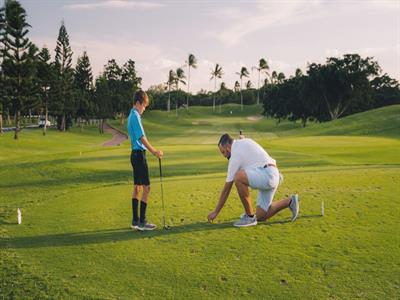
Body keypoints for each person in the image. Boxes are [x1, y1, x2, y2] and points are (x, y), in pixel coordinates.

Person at [207, 133, 299, 227]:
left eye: (223, 152)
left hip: (268, 175)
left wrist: (216, 212)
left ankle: (249, 217)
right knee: (261, 216)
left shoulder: (235, 155)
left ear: (228, 146)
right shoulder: (243, 142)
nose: (224, 155)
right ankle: (290, 201)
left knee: (238, 177)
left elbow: (227, 188)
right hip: (272, 174)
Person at [127, 90, 163, 231]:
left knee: (137, 188)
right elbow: (142, 138)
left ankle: (135, 221)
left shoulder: (131, 115)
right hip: (139, 155)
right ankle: (142, 221)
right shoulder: (135, 116)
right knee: (147, 188)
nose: (144, 108)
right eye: (144, 105)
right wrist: (154, 151)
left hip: (134, 155)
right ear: (138, 103)